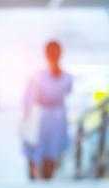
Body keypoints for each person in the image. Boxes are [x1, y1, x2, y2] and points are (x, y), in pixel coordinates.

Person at [22, 40, 73, 180]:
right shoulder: (38, 76)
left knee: (51, 154)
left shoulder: (67, 77)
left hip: (57, 120)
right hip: (39, 119)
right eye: (51, 53)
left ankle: (46, 185)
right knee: (36, 153)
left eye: (56, 52)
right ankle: (37, 185)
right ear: (46, 55)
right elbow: (28, 101)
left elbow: (67, 94)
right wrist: (27, 122)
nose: (53, 56)